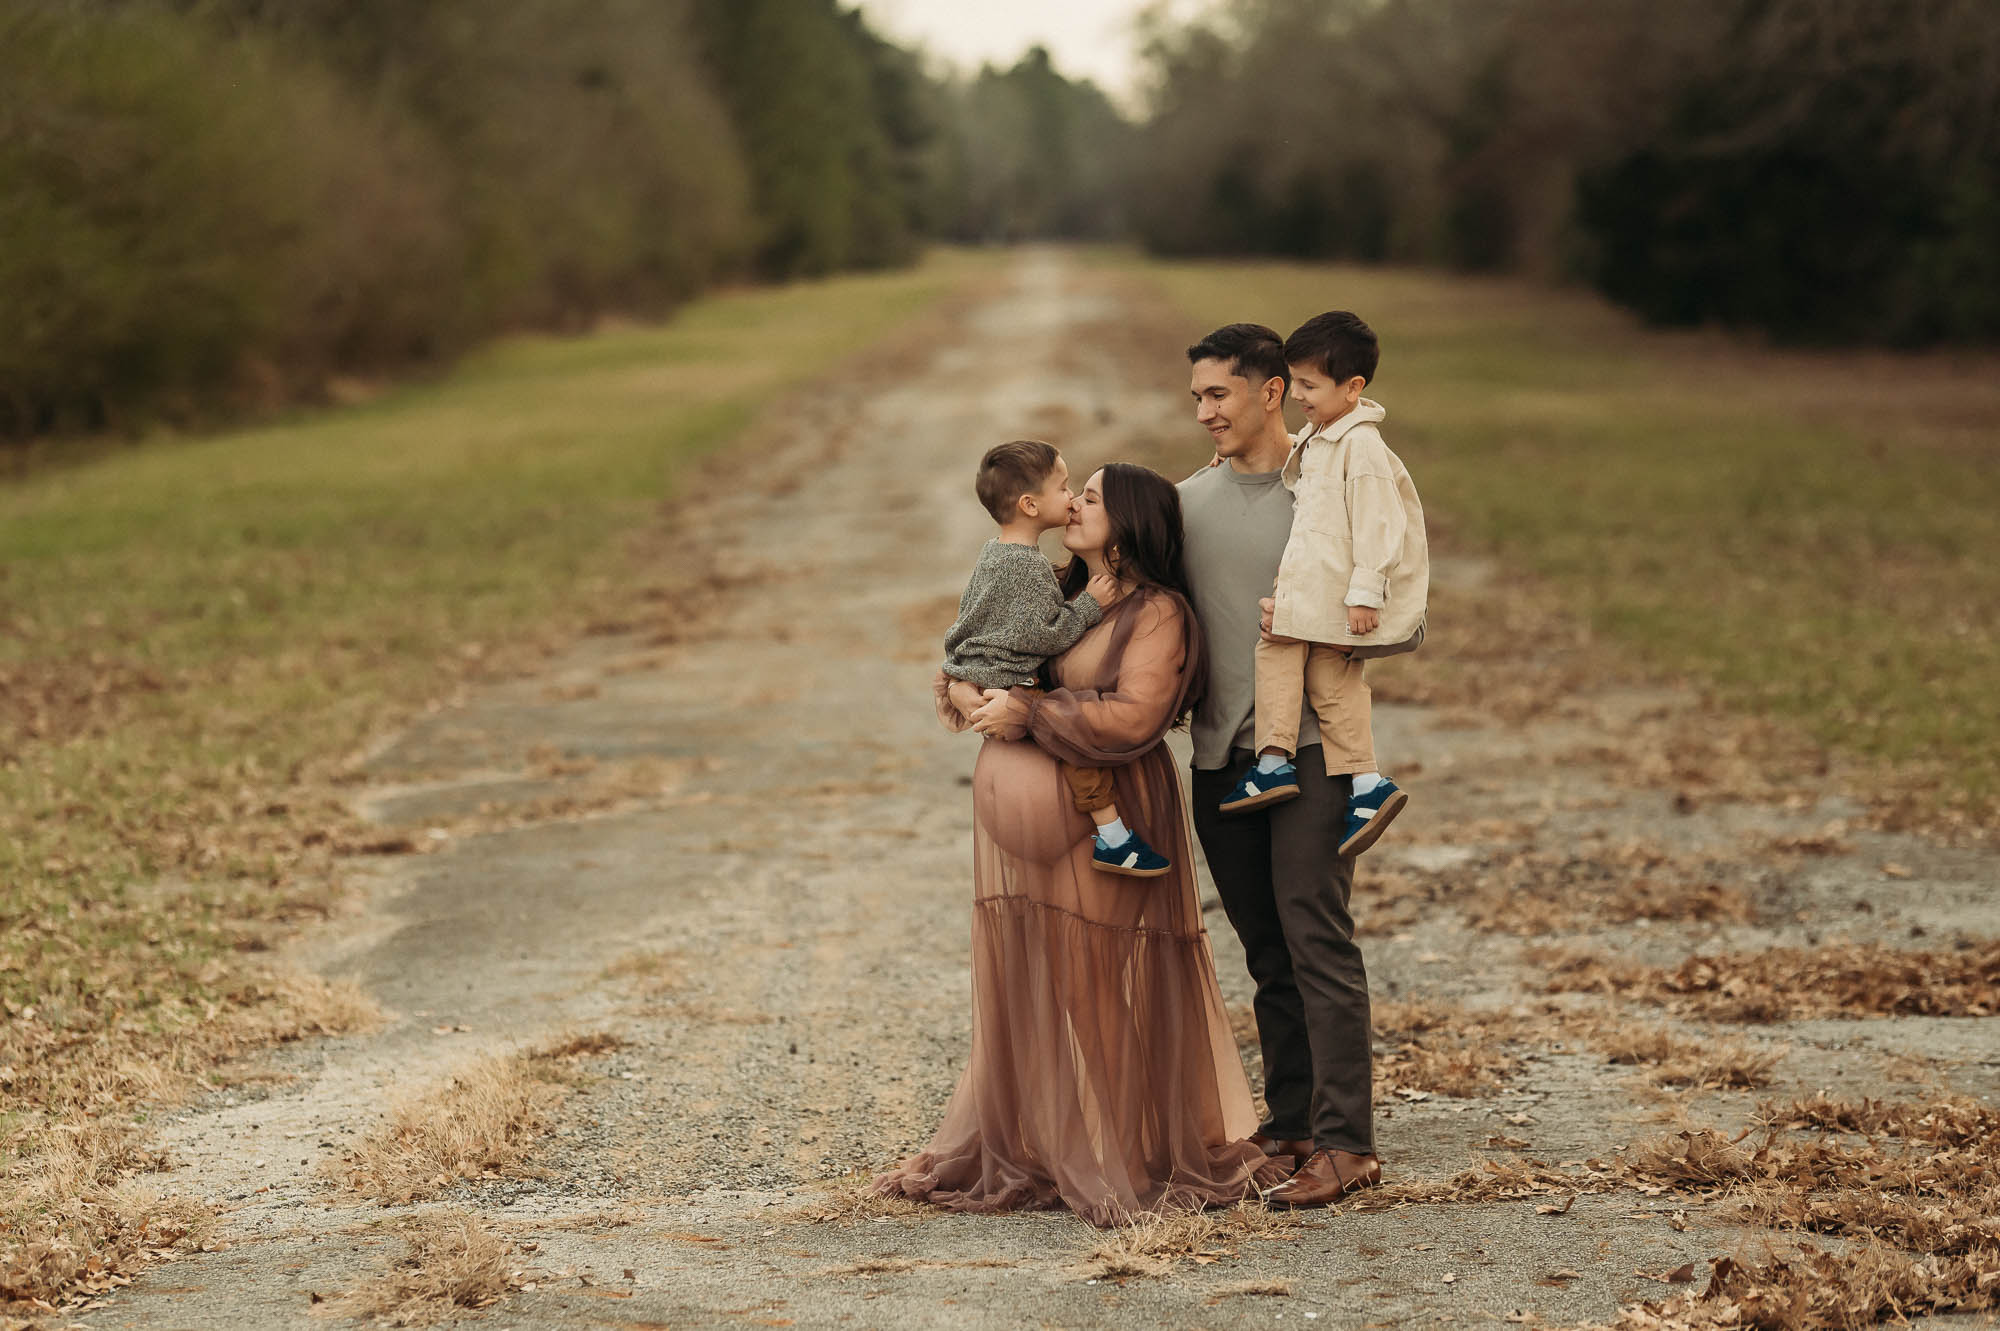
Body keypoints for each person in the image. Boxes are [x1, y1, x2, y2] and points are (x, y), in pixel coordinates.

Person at [876, 463, 1288, 1224]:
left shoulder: (1158, 612)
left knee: (1099, 981)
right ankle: (1055, 1145)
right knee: (1050, 984)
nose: (1072, 504)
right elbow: (987, 654)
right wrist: (963, 689)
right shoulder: (1059, 591)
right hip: (1028, 836)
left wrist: (1028, 711)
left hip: (1114, 818)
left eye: (1090, 496)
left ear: (1128, 524)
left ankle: (1127, 1157)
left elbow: (1134, 718)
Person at [1178, 323, 1382, 1206]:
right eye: (1194, 398)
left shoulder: (1331, 480)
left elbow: (1391, 578)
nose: (1203, 412)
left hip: (1308, 755)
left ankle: (1348, 1142)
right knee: (1266, 948)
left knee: (1317, 938)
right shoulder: (1186, 504)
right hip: (1220, 756)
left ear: (1270, 392)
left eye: (1217, 393)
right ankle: (1291, 1121)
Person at [1218, 312, 1429, 861]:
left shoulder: (1362, 449)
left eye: (1309, 386)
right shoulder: (1324, 434)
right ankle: (1365, 784)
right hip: (1321, 586)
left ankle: (1272, 762)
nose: (1299, 397)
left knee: (1276, 646)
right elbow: (1301, 474)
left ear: (1352, 387)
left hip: (1337, 590)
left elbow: (1380, 523)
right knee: (1331, 682)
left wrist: (1367, 592)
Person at [940, 440, 1172, 878]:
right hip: (1009, 682)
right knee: (1077, 756)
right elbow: (1038, 635)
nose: (1072, 500)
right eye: (1066, 488)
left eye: (1085, 495)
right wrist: (1087, 607)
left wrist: (959, 674)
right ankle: (1114, 836)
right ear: (1030, 505)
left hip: (988, 676)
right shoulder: (1028, 568)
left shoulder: (995, 553)